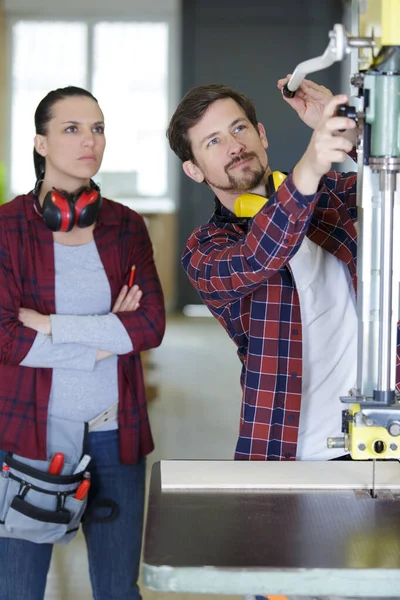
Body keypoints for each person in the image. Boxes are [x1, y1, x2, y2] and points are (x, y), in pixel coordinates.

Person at [0, 86, 165, 599]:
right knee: (17, 588)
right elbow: (7, 339)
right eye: (71, 128)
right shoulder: (6, 228)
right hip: (31, 436)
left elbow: (151, 325)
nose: (88, 140)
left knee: (119, 589)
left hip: (116, 434)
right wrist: (104, 338)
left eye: (96, 128)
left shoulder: (125, 226)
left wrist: (52, 325)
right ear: (41, 143)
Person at [167, 76, 359, 463]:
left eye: (239, 128)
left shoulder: (331, 192)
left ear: (262, 135)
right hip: (298, 450)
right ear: (194, 170)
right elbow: (259, 255)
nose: (235, 146)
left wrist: (352, 136)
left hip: (381, 428)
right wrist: (311, 165)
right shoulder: (205, 249)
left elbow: (392, 184)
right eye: (213, 141)